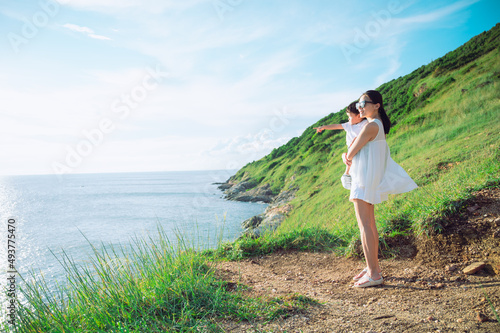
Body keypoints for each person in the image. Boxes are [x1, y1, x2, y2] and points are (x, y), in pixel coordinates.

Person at [343, 90, 418, 288]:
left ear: (377, 105)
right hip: (368, 178)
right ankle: (371, 268)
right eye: (358, 105)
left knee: (365, 226)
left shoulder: (371, 126)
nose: (360, 107)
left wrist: (346, 156)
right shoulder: (378, 125)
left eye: (364, 103)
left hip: (363, 180)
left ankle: (375, 274)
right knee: (370, 226)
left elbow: (351, 152)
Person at [314, 102, 367, 189]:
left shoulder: (364, 123)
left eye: (350, 117)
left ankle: (347, 176)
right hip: (351, 147)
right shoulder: (348, 125)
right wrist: (324, 127)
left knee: (353, 163)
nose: (348, 119)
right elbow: (336, 126)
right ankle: (346, 175)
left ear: (358, 116)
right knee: (349, 163)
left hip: (359, 145)